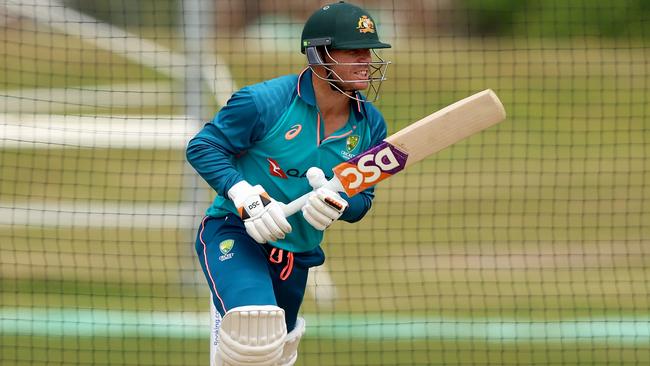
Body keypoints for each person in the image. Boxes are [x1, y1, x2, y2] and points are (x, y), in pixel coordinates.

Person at [186, 2, 391, 365]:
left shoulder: (370, 124)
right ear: (319, 55)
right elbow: (204, 146)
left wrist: (336, 203)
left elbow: (363, 200)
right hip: (237, 232)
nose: (366, 60)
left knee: (277, 351)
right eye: (353, 51)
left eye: (368, 51)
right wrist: (243, 193)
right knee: (253, 331)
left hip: (296, 254)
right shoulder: (263, 102)